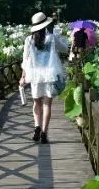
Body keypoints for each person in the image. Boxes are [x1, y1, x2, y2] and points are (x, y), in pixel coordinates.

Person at [19, 11, 69, 144]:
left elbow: (25, 60)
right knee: (47, 105)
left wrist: (23, 77)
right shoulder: (52, 38)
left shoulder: (28, 40)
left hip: (34, 75)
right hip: (49, 74)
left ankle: (36, 126)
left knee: (36, 103)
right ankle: (44, 133)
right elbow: (65, 48)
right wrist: (62, 38)